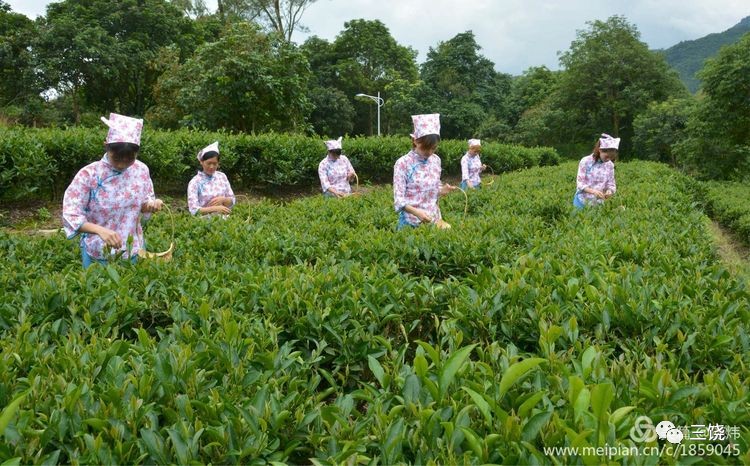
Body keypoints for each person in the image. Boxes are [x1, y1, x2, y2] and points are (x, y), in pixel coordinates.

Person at [62, 113, 163, 268]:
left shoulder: (141, 170)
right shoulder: (89, 174)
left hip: (133, 247)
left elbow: (143, 204)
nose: (122, 165)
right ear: (106, 146)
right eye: (117, 158)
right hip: (99, 249)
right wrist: (100, 231)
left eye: (129, 159)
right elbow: (71, 214)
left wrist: (151, 205)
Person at [393, 113, 458, 229]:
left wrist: (441, 190)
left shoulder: (436, 160)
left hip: (433, 219)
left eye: (433, 148)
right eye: (425, 148)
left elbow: (433, 187)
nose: (429, 152)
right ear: (415, 141)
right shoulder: (403, 163)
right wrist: (417, 213)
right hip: (410, 222)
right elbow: (399, 200)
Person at [187, 141, 236, 216]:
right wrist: (215, 209)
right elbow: (193, 210)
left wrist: (224, 200)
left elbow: (233, 200)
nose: (211, 167)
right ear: (201, 162)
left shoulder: (222, 176)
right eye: (208, 163)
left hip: (226, 221)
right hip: (203, 222)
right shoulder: (195, 182)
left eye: (215, 163)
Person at [573, 133, 618, 209]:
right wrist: (593, 191)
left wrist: (609, 191)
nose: (608, 160)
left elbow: (611, 184)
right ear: (600, 150)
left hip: (598, 203)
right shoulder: (586, 161)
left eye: (611, 157)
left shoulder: (610, 165)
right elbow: (580, 183)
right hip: (582, 201)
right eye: (607, 156)